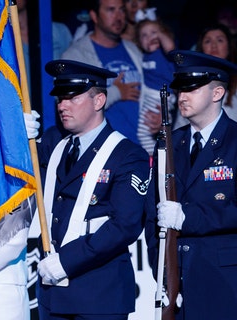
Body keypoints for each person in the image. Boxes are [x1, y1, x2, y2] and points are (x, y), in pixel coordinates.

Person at [36, 59, 150, 319]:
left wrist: (67, 260)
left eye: (72, 98)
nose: (62, 105)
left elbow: (125, 225)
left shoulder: (127, 155)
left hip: (99, 294)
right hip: (52, 295)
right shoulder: (54, 142)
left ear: (98, 101)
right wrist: (17, 134)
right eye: (60, 98)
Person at [145, 50, 237, 319]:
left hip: (224, 281)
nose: (182, 96)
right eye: (180, 89)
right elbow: (152, 212)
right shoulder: (170, 142)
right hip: (178, 278)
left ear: (217, 93)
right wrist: (162, 267)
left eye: (192, 89)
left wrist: (189, 217)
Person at [61, 0, 148, 146]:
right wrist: (117, 92)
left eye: (121, 10)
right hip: (103, 151)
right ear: (94, 16)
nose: (118, 16)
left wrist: (156, 113)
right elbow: (70, 107)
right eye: (111, 10)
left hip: (143, 147)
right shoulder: (75, 56)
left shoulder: (133, 50)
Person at [134, 16, 176, 154]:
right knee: (144, 131)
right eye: (144, 35)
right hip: (149, 96)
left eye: (153, 32)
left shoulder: (165, 53)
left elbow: (170, 47)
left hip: (163, 95)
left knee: (145, 131)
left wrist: (160, 35)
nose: (149, 37)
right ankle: (155, 156)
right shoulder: (144, 55)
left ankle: (155, 157)